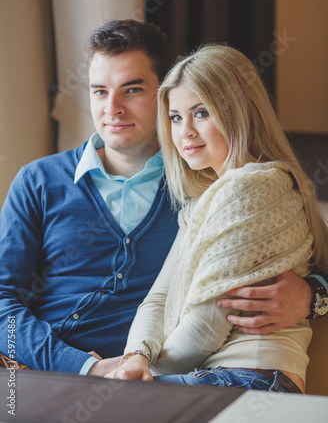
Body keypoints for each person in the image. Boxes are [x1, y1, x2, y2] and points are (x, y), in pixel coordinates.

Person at [0, 21, 326, 376]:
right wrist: (82, 366)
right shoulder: (39, 181)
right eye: (99, 91)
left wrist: (313, 297)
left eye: (132, 89)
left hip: (152, 381)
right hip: (42, 371)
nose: (112, 108)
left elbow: (312, 252)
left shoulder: (204, 186)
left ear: (164, 92)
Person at [105, 44, 328, 393]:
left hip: (253, 377)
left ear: (240, 112)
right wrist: (135, 357)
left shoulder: (255, 188)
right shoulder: (205, 202)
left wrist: (138, 378)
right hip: (214, 375)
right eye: (176, 117)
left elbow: (208, 324)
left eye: (202, 113)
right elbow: (158, 299)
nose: (185, 132)